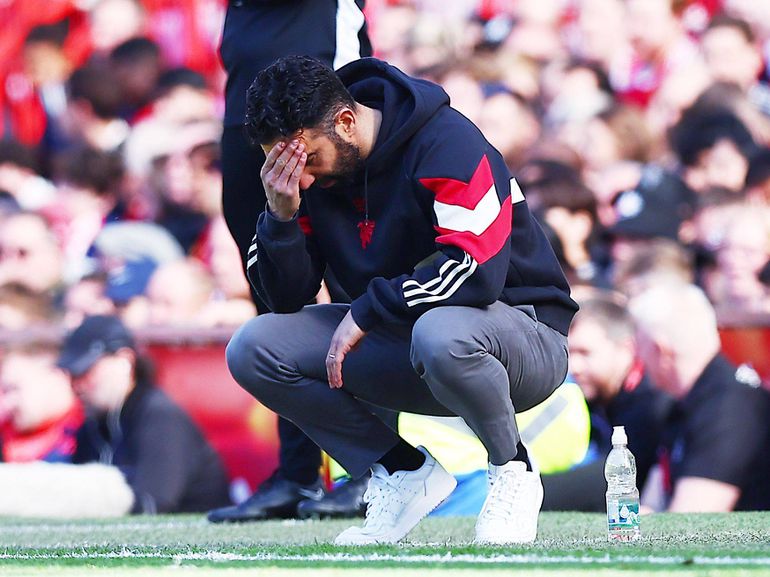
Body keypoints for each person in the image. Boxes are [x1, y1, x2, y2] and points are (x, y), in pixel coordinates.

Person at [225, 55, 577, 544]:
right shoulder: (308, 178)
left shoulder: (448, 142)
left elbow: (475, 272)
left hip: (522, 336)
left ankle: (512, 468)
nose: (300, 177)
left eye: (308, 160)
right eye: (281, 165)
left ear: (345, 122)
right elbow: (285, 299)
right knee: (254, 348)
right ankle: (400, 471)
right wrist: (280, 218)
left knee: (441, 332)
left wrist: (370, 309)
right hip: (408, 343)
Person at [208, 0, 374, 524]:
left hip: (325, 118)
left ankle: (378, 469)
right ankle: (297, 470)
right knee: (273, 301)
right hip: (246, 119)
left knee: (357, 292)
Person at [57, 314, 230, 513]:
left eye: (85, 371)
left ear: (124, 360)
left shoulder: (160, 417)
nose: (77, 385)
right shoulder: (92, 429)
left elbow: (153, 502)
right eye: (72, 375)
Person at [630, 283, 770, 511]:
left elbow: (694, 519)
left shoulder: (731, 409)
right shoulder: (683, 405)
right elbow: (651, 505)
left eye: (639, 347)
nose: (637, 357)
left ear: (660, 350)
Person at [542, 294, 672, 511]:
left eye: (585, 353)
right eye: (569, 353)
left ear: (626, 349)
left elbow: (611, 479)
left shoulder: (653, 405)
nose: (574, 367)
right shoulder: (590, 398)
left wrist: (530, 490)